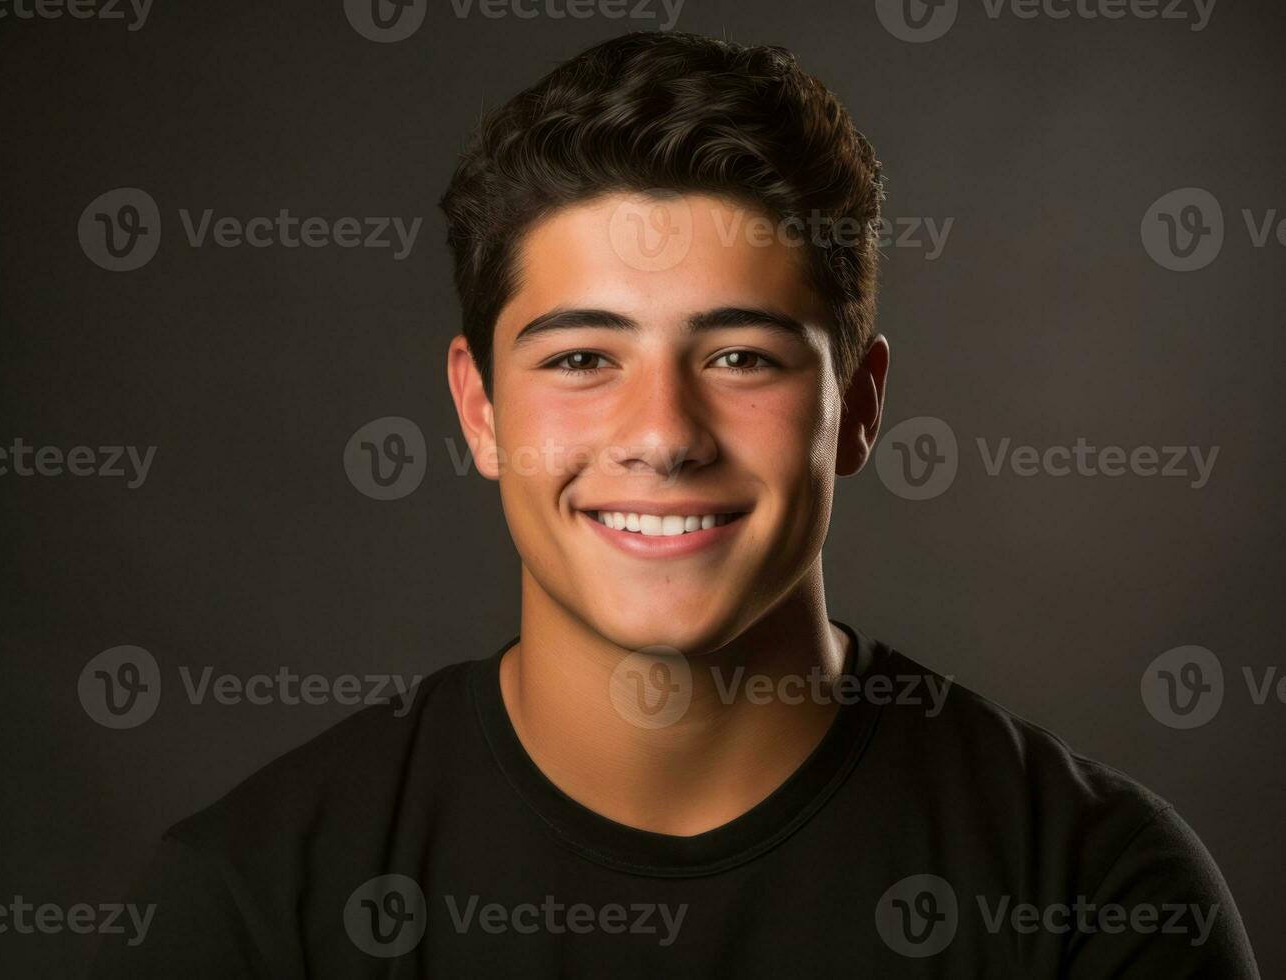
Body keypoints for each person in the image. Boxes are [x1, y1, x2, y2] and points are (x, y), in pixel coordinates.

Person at [90, 30, 1259, 977]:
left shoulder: (1094, 898)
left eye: (742, 357)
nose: (660, 433)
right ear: (479, 407)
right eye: (581, 359)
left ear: (855, 404)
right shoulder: (251, 906)